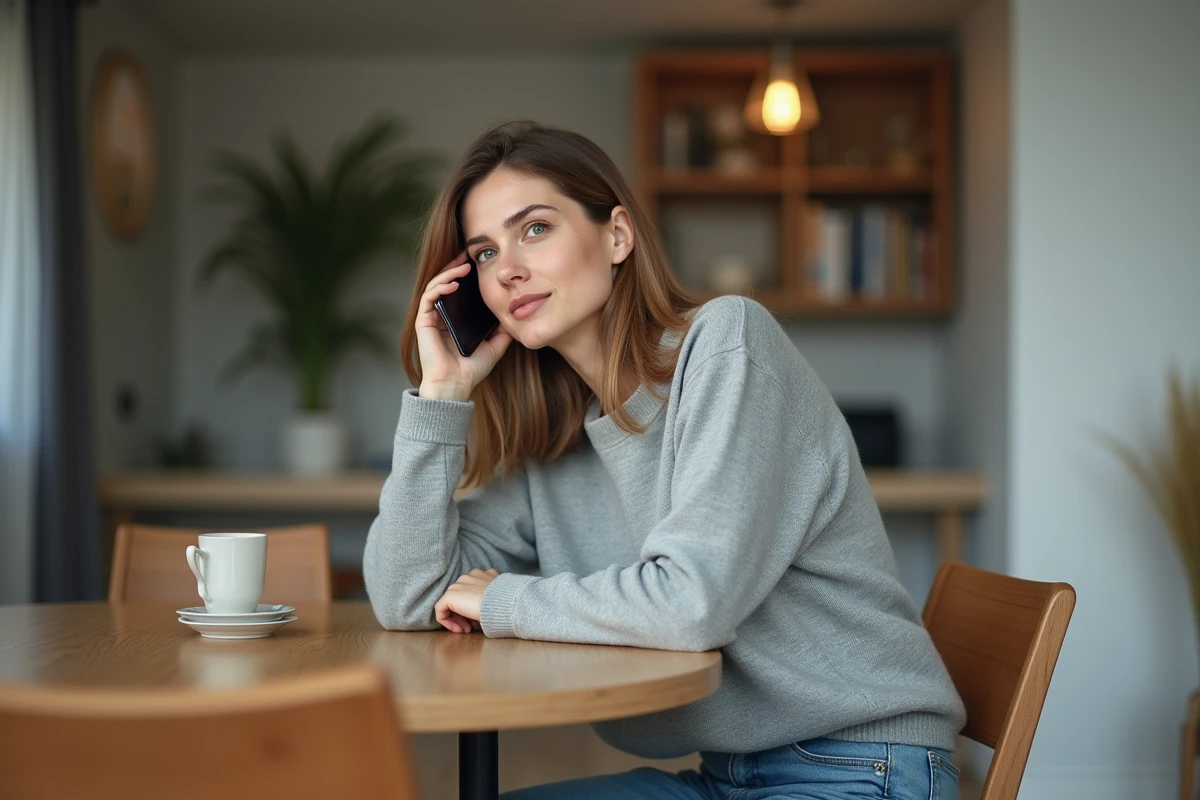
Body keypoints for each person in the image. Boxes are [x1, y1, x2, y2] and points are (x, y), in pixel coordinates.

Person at [364, 120, 965, 800]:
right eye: (482, 253)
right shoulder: (559, 436)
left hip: (859, 765)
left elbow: (691, 605)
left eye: (535, 228)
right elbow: (410, 596)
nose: (507, 270)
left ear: (617, 236)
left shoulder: (728, 343)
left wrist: (503, 599)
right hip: (724, 773)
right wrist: (442, 395)